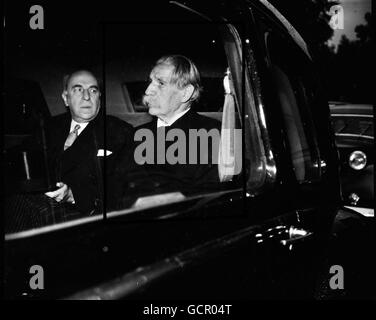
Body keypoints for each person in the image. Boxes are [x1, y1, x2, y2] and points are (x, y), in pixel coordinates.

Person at [125, 55, 221, 196]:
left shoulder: (213, 133)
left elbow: (214, 195)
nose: (148, 91)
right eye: (150, 82)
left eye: (161, 83)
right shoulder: (134, 134)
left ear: (185, 93)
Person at [44, 70, 134, 215]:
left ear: (99, 97)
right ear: (66, 98)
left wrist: (75, 195)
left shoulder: (119, 131)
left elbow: (125, 187)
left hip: (88, 215)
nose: (86, 97)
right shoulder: (48, 126)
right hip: (42, 210)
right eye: (78, 90)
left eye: (93, 90)